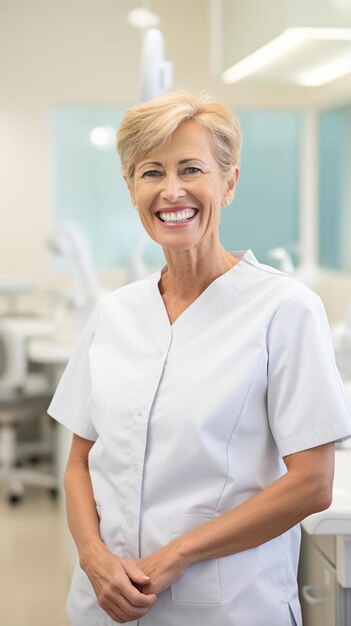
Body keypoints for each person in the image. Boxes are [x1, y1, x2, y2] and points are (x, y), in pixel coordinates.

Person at [48, 90, 351, 626]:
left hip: (229, 607)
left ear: (229, 182)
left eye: (192, 169)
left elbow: (312, 481)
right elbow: (78, 460)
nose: (171, 191)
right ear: (130, 187)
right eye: (150, 172)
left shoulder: (284, 309)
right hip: (102, 605)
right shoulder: (115, 313)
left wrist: (178, 553)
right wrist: (93, 559)